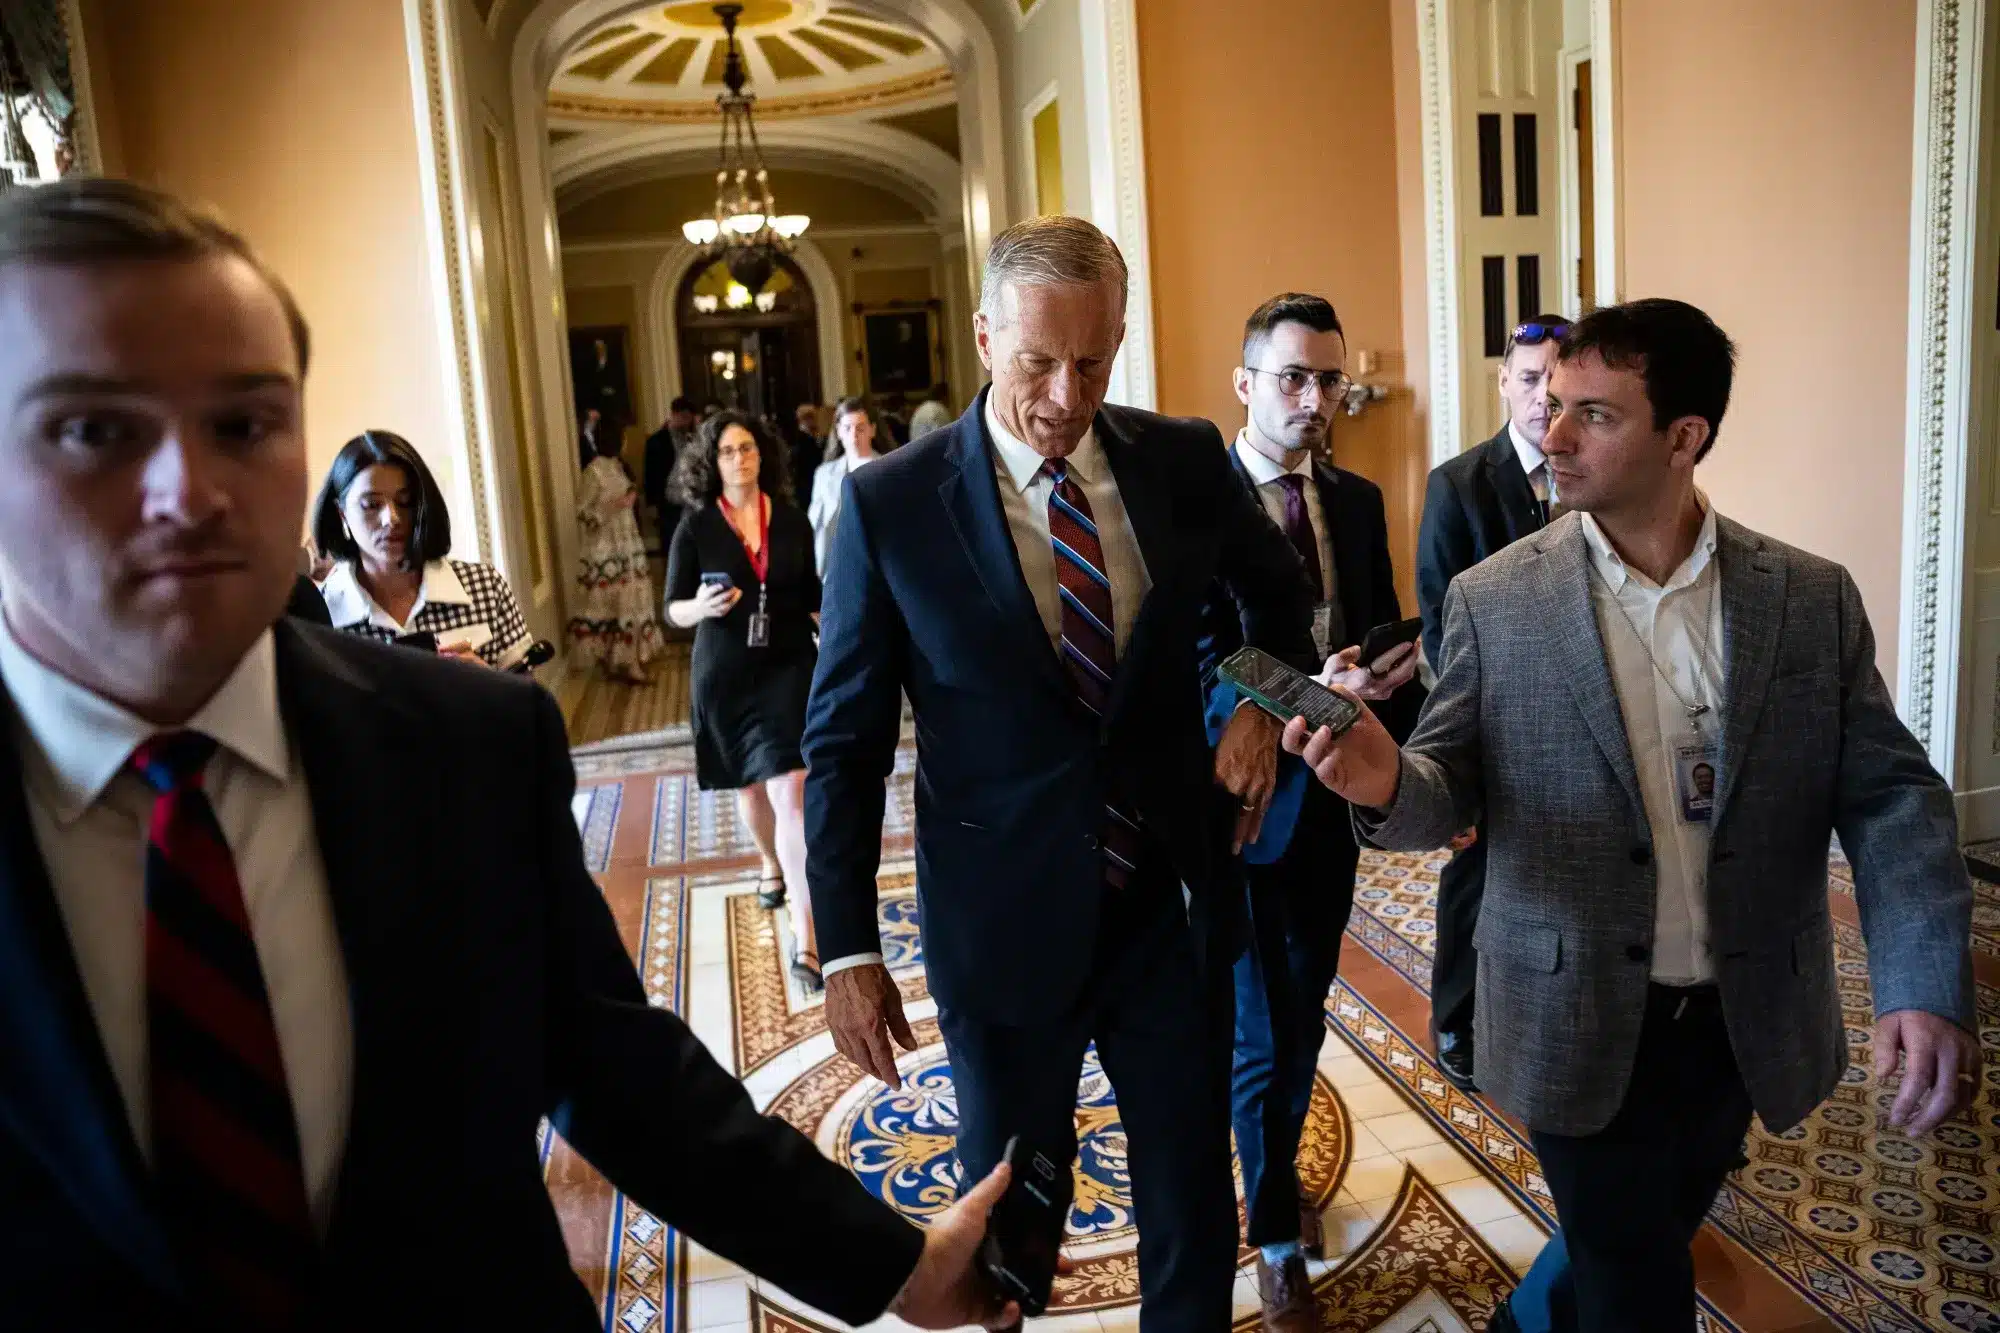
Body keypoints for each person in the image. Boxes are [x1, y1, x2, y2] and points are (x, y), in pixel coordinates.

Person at [0, 176, 1016, 1330]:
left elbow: (611, 1066)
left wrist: (893, 1262)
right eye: (93, 429)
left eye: (242, 422)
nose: (191, 491)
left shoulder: (457, 744)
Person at [1282, 298, 1981, 1333]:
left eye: (1592, 415)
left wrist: (1921, 981)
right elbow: (1444, 788)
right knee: (1629, 1274)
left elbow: (1889, 796)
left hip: (1741, 1019)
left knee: (1650, 1224)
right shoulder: (1495, 599)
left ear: (1682, 436)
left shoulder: (1805, 598)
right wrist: (1384, 779)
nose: (1550, 433)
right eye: (1551, 405)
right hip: (1575, 1016)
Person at [804, 215, 1318, 1331]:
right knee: (1007, 1209)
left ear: (1119, 339)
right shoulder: (888, 504)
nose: (1063, 392)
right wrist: (845, 947)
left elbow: (1274, 596)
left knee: (1186, 1187)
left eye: (1091, 361)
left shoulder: (1178, 460)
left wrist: (1257, 706)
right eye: (1038, 360)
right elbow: (841, 740)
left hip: (1165, 901)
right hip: (998, 917)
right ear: (986, 337)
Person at [1197, 293, 1421, 1331]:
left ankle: (1271, 1176)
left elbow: (1364, 628)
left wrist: (1384, 680)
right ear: (1243, 382)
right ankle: (1274, 1236)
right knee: (1256, 1030)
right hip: (1236, 803)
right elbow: (1197, 657)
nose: (1313, 396)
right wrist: (1304, 690)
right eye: (1291, 376)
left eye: (1327, 377)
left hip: (1331, 802)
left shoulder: (1360, 499)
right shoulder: (1193, 500)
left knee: (1303, 1014)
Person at [1414, 312, 1568, 1092]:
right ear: (1503, 381)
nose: (1545, 397)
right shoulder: (1458, 483)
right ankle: (1456, 1019)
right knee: (1475, 877)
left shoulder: (1591, 479)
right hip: (1487, 720)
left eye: (1560, 382)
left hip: (1576, 724)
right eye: (1531, 377)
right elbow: (1438, 624)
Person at [664, 412, 824, 984]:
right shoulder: (697, 526)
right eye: (728, 451)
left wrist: (842, 642)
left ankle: (806, 936)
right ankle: (769, 860)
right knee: (751, 786)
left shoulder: (791, 521)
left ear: (764, 455)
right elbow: (673, 607)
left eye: (748, 448)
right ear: (714, 462)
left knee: (793, 791)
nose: (740, 459)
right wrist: (699, 610)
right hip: (725, 670)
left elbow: (813, 596)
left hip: (787, 666)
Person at [312, 430, 535, 671]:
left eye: (405, 501)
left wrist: (489, 685)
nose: (392, 518)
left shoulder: (485, 588)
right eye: (372, 505)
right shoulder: (321, 613)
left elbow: (530, 704)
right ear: (342, 513)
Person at [569, 428, 663, 684]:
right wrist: (611, 507)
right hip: (606, 549)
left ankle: (630, 661)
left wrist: (629, 499)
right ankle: (618, 661)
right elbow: (582, 512)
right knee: (614, 604)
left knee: (632, 601)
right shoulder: (594, 471)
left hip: (627, 544)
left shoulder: (617, 467)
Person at [807, 395, 886, 577]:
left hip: (878, 561)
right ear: (839, 432)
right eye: (847, 428)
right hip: (838, 565)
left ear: (872, 430)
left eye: (860, 428)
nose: (854, 435)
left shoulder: (888, 468)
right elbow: (816, 526)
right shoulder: (824, 474)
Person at [643, 395, 697, 546]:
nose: (687, 422)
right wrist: (652, 504)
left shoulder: (692, 438)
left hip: (690, 501)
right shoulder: (656, 441)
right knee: (671, 543)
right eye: (684, 417)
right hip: (668, 501)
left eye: (689, 418)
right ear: (674, 415)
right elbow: (650, 474)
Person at [788, 401, 824, 501]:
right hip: (807, 486)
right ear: (806, 419)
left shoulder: (809, 438)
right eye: (813, 418)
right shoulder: (803, 441)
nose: (816, 421)